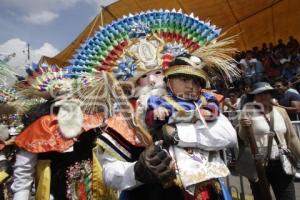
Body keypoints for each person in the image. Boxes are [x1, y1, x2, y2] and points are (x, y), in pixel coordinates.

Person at [145, 54, 237, 199]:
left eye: (195, 82)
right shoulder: (161, 101)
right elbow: (151, 121)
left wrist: (208, 112)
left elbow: (215, 111)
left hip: (207, 160)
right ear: (169, 81)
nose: (190, 86)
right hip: (174, 164)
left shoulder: (204, 99)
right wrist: (158, 113)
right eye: (184, 80)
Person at [238, 82, 300, 200]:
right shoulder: (248, 111)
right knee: (262, 197)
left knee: (287, 197)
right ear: (254, 96)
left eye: (266, 93)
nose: (263, 96)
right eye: (259, 94)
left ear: (271, 94)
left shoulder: (281, 111)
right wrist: (243, 126)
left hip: (282, 163)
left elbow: (292, 137)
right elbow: (243, 138)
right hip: (259, 164)